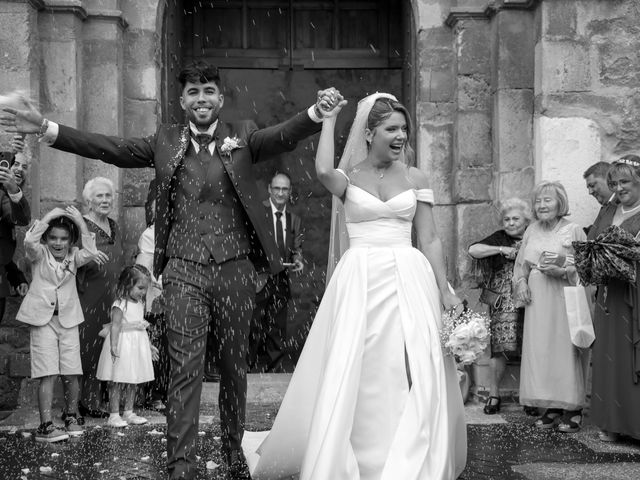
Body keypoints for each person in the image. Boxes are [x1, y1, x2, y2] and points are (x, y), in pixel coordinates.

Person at [0, 61, 337, 480]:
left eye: (209, 90)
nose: (202, 99)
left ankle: (234, 455)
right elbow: (110, 147)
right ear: (182, 100)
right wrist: (48, 128)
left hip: (235, 272)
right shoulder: (165, 139)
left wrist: (315, 114)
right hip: (182, 272)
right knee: (185, 371)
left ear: (220, 98)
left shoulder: (243, 136)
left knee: (235, 370)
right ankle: (180, 465)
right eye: (193, 92)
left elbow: (282, 135)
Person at [246, 93, 467, 479]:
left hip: (407, 274)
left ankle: (412, 451)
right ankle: (358, 454)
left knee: (413, 360)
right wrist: (329, 119)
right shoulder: (348, 179)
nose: (401, 136)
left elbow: (429, 238)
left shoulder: (416, 177)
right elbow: (322, 171)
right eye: (391, 129)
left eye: (404, 129)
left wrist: (444, 288)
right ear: (369, 133)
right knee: (357, 363)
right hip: (361, 276)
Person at [16, 205, 97, 442]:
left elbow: (90, 251)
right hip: (43, 322)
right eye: (53, 237)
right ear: (47, 238)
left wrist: (81, 224)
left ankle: (71, 415)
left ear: (71, 240)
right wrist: (50, 217)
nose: (58, 243)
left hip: (69, 321)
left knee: (72, 371)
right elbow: (29, 241)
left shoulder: (74, 256)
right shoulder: (38, 254)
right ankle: (46, 426)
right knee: (47, 372)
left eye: (63, 238)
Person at [513, 181, 588, 433]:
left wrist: (563, 271)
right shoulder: (532, 229)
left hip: (564, 297)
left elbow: (587, 269)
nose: (542, 205)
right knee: (541, 350)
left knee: (564, 350)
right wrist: (521, 282)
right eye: (538, 201)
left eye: (548, 200)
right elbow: (520, 264)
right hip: (538, 300)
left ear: (560, 203)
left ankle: (573, 408)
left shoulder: (574, 230)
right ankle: (552, 405)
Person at [588, 155, 640, 443]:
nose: (619, 188)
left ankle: (635, 424)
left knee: (634, 357)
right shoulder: (609, 210)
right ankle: (612, 422)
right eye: (614, 182)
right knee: (609, 358)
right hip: (609, 294)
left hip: (635, 294)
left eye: (625, 181)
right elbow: (594, 240)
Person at [468, 197, 531, 415]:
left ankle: (531, 397)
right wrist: (502, 249)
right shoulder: (500, 237)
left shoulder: (534, 234)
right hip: (503, 302)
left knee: (532, 347)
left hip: (532, 297)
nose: (511, 223)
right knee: (499, 350)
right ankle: (494, 395)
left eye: (516, 219)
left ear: (526, 220)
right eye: (507, 219)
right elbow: (473, 250)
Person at [76, 177, 123, 419]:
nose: (105, 200)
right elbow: (72, 257)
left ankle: (103, 398)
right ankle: (86, 401)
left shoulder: (114, 225)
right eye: (99, 196)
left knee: (108, 347)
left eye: (108, 196)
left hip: (112, 297)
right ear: (89, 201)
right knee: (88, 347)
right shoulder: (81, 226)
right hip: (88, 295)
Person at [249, 171, 304, 373]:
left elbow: (296, 248)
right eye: (277, 188)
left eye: (285, 189)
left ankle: (275, 369)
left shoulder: (294, 219)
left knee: (277, 327)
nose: (280, 193)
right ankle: (247, 368)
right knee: (253, 325)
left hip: (281, 279)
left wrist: (298, 261)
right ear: (270, 190)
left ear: (289, 192)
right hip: (260, 278)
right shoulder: (258, 213)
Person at [96, 264, 158, 427]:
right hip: (122, 344)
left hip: (137, 344)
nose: (143, 293)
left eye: (145, 289)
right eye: (140, 288)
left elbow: (140, 325)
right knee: (116, 379)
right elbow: (116, 326)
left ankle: (129, 412)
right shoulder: (120, 304)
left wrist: (149, 346)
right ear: (127, 284)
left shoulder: (140, 304)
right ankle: (114, 414)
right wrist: (114, 345)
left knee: (133, 379)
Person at [135, 180, 169, 412]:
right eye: (160, 206)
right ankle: (152, 395)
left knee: (168, 348)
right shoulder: (150, 235)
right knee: (156, 347)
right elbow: (146, 271)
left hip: (173, 299)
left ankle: (165, 393)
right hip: (155, 300)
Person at [0, 145, 31, 322]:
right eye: (15, 164)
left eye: (24, 166)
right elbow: (19, 219)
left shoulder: (8, 195)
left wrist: (16, 278)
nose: (20, 169)